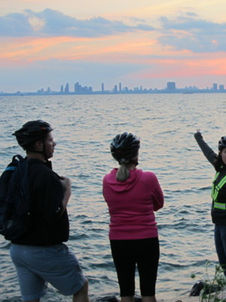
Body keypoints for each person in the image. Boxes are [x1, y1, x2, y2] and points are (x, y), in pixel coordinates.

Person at [9, 120, 89, 302]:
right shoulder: (45, 175)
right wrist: (67, 190)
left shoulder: (17, 170)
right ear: (39, 145)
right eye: (50, 140)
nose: (54, 144)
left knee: (31, 298)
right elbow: (53, 213)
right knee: (81, 287)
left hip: (18, 249)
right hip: (43, 250)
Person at [103, 132, 164, 302]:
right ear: (136, 154)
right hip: (146, 239)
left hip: (118, 240)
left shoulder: (107, 181)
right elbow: (159, 204)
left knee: (126, 292)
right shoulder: (148, 178)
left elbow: (113, 207)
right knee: (148, 292)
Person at [194, 131, 226, 297]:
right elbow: (208, 153)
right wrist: (198, 138)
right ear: (221, 152)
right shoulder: (220, 165)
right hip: (219, 224)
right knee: (224, 264)